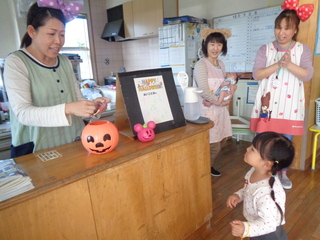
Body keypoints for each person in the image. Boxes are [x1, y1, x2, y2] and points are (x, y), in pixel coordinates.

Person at [3, 1, 110, 158]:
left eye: (62, 34)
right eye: (51, 34)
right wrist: (69, 108)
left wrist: (92, 108)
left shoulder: (64, 61)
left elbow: (77, 102)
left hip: (74, 144)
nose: (59, 41)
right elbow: (23, 114)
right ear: (32, 31)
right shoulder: (17, 62)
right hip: (36, 151)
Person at [250, 3, 314, 189]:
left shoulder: (303, 49)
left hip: (290, 106)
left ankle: (282, 173)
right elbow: (257, 74)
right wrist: (278, 64)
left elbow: (307, 74)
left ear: (295, 30)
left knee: (284, 143)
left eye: (287, 28)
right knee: (261, 141)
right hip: (267, 106)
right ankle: (258, 173)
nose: (281, 32)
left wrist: (289, 64)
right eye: (278, 27)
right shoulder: (265, 49)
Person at [227, 131, 294, 239]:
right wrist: (238, 195)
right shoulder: (254, 170)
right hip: (257, 226)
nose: (247, 149)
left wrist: (246, 229)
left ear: (266, 164)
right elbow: (249, 189)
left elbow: (269, 224)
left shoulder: (267, 194)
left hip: (268, 234)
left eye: (253, 149)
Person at [193, 28, 237, 176]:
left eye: (219, 44)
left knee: (223, 139)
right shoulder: (201, 65)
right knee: (212, 145)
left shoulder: (221, 65)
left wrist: (227, 98)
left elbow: (224, 85)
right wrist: (218, 101)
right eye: (212, 44)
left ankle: (207, 166)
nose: (215, 48)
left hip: (220, 110)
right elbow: (204, 90)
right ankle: (203, 169)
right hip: (206, 111)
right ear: (205, 45)